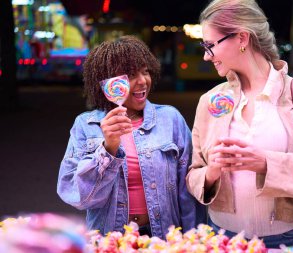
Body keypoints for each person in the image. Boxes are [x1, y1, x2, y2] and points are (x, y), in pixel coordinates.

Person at [186, 0, 293, 249]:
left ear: (242, 38)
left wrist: (267, 163)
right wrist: (211, 173)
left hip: (285, 240)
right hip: (220, 238)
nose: (205, 56)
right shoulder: (210, 101)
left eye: (209, 46)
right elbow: (193, 174)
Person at [57, 35, 206, 239]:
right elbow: (77, 196)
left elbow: (187, 191)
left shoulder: (170, 119)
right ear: (107, 84)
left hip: (163, 238)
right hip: (110, 239)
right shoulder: (86, 125)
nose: (143, 80)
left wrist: (193, 238)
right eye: (130, 75)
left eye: (145, 72)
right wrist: (108, 149)